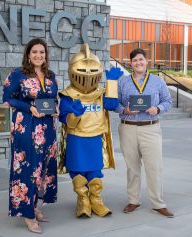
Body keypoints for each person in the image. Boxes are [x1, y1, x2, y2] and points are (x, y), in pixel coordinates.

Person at [58, 43, 123, 218]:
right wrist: (75, 115)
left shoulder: (101, 93)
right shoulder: (67, 94)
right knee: (78, 170)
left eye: (92, 72)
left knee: (95, 171)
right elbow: (66, 121)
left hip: (95, 138)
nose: (87, 76)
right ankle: (83, 200)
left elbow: (111, 104)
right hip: (77, 139)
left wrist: (112, 83)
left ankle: (96, 200)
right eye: (83, 71)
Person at [3, 38, 59, 233]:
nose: (38, 55)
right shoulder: (17, 75)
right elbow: (7, 98)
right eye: (34, 52)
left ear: (46, 55)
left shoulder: (50, 75)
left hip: (48, 128)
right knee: (27, 168)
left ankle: (35, 206)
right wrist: (29, 108)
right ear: (28, 54)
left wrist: (56, 108)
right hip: (26, 128)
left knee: (43, 168)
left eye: (41, 52)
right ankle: (27, 214)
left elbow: (54, 98)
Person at [115, 48, 174, 218]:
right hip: (128, 127)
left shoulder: (157, 81)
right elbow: (115, 104)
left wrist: (158, 108)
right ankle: (134, 200)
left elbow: (168, 101)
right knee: (132, 167)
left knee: (154, 167)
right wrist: (124, 109)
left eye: (141, 59)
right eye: (134, 60)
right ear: (130, 63)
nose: (138, 63)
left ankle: (158, 203)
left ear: (146, 61)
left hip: (150, 127)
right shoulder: (123, 82)